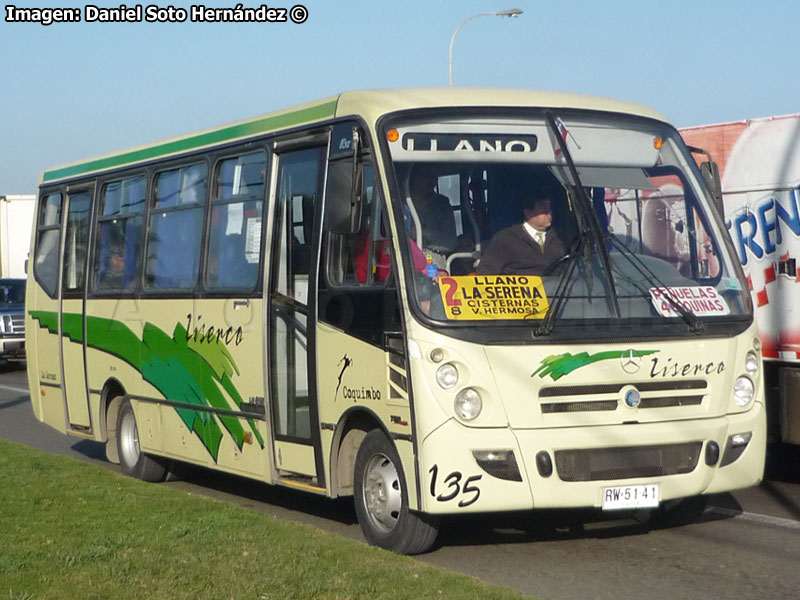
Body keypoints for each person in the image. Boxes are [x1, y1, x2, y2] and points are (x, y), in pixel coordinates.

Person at [476, 196, 567, 275]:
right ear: (528, 213)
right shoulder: (504, 240)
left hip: (561, 293)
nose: (549, 212)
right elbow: (484, 277)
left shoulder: (562, 238)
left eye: (549, 206)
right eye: (542, 207)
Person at [408, 164, 458, 253]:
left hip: (434, 261)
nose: (432, 179)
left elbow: (451, 243)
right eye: (426, 174)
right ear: (414, 176)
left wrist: (426, 233)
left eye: (435, 175)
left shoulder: (443, 206)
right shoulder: (397, 202)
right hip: (403, 260)